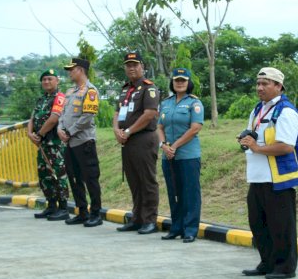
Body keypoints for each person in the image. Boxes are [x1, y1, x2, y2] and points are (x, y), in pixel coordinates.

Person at [239, 67, 298, 279]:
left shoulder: (285, 111)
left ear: (278, 86)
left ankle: (285, 267)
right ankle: (267, 262)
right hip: (257, 176)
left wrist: (257, 148)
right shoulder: (258, 109)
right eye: (258, 83)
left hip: (278, 178)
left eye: (265, 83)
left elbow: (286, 146)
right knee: (258, 223)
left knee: (281, 225)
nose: (260, 88)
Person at [113, 52, 160, 235]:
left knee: (147, 181)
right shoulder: (125, 89)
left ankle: (150, 220)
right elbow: (117, 113)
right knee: (134, 181)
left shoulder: (149, 88)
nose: (131, 68)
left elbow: (149, 113)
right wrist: (116, 130)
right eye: (128, 65)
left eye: (135, 64)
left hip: (143, 139)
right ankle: (137, 218)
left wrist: (128, 131)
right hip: (127, 141)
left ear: (142, 66)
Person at [157, 68, 204, 243]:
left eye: (183, 80)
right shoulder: (166, 103)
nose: (179, 83)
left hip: (188, 155)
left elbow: (195, 128)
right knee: (173, 192)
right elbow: (160, 127)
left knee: (190, 193)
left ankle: (190, 229)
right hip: (168, 155)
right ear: (172, 82)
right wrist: (164, 146)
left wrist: (174, 146)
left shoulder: (194, 103)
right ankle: (176, 227)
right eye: (177, 80)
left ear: (188, 82)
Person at [59, 58, 104, 227]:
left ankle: (96, 213)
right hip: (69, 143)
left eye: (72, 69)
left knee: (90, 178)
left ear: (81, 70)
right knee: (74, 177)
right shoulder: (70, 91)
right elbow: (62, 113)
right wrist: (60, 129)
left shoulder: (91, 91)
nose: (69, 73)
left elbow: (87, 116)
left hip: (83, 141)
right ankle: (82, 211)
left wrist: (70, 131)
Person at [27, 68, 70, 222]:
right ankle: (51, 205)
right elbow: (32, 118)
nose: (46, 82)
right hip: (42, 144)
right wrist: (30, 133)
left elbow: (53, 118)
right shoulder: (41, 99)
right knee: (45, 175)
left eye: (50, 79)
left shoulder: (59, 98)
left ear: (57, 81)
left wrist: (39, 134)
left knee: (58, 174)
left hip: (55, 143)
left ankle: (63, 208)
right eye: (44, 79)